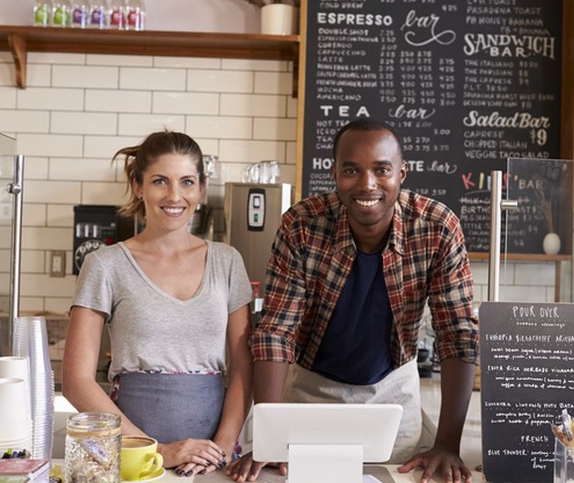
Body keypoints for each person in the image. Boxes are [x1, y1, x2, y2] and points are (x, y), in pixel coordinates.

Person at [228, 118, 478, 483]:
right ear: (334, 173)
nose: (367, 184)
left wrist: (447, 444)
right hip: (308, 393)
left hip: (392, 395)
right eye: (351, 170)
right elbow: (275, 333)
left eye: (382, 170)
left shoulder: (437, 227)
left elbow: (456, 333)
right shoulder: (302, 224)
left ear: (402, 173)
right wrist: (272, 439)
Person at [62, 130, 253, 478]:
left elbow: (243, 367)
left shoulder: (227, 262)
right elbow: (76, 380)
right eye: (160, 181)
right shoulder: (105, 265)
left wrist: (223, 448)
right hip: (132, 457)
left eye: (187, 182)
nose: (175, 196)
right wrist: (159, 450)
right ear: (138, 186)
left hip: (209, 461)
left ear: (201, 187)